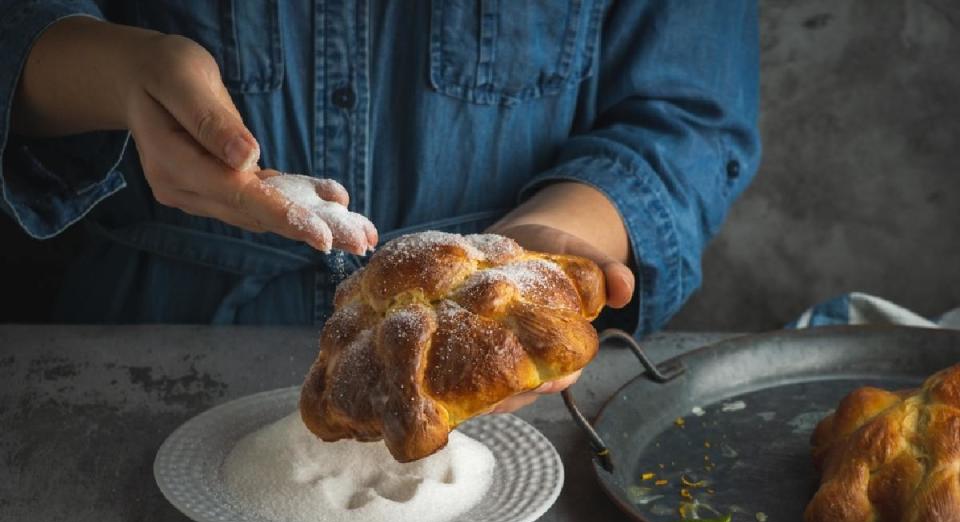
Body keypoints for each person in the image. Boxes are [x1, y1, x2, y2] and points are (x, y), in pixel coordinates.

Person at [1, 1, 759, 408]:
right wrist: (119, 72)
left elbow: (685, 113)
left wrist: (555, 235)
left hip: (491, 383)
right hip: (138, 371)